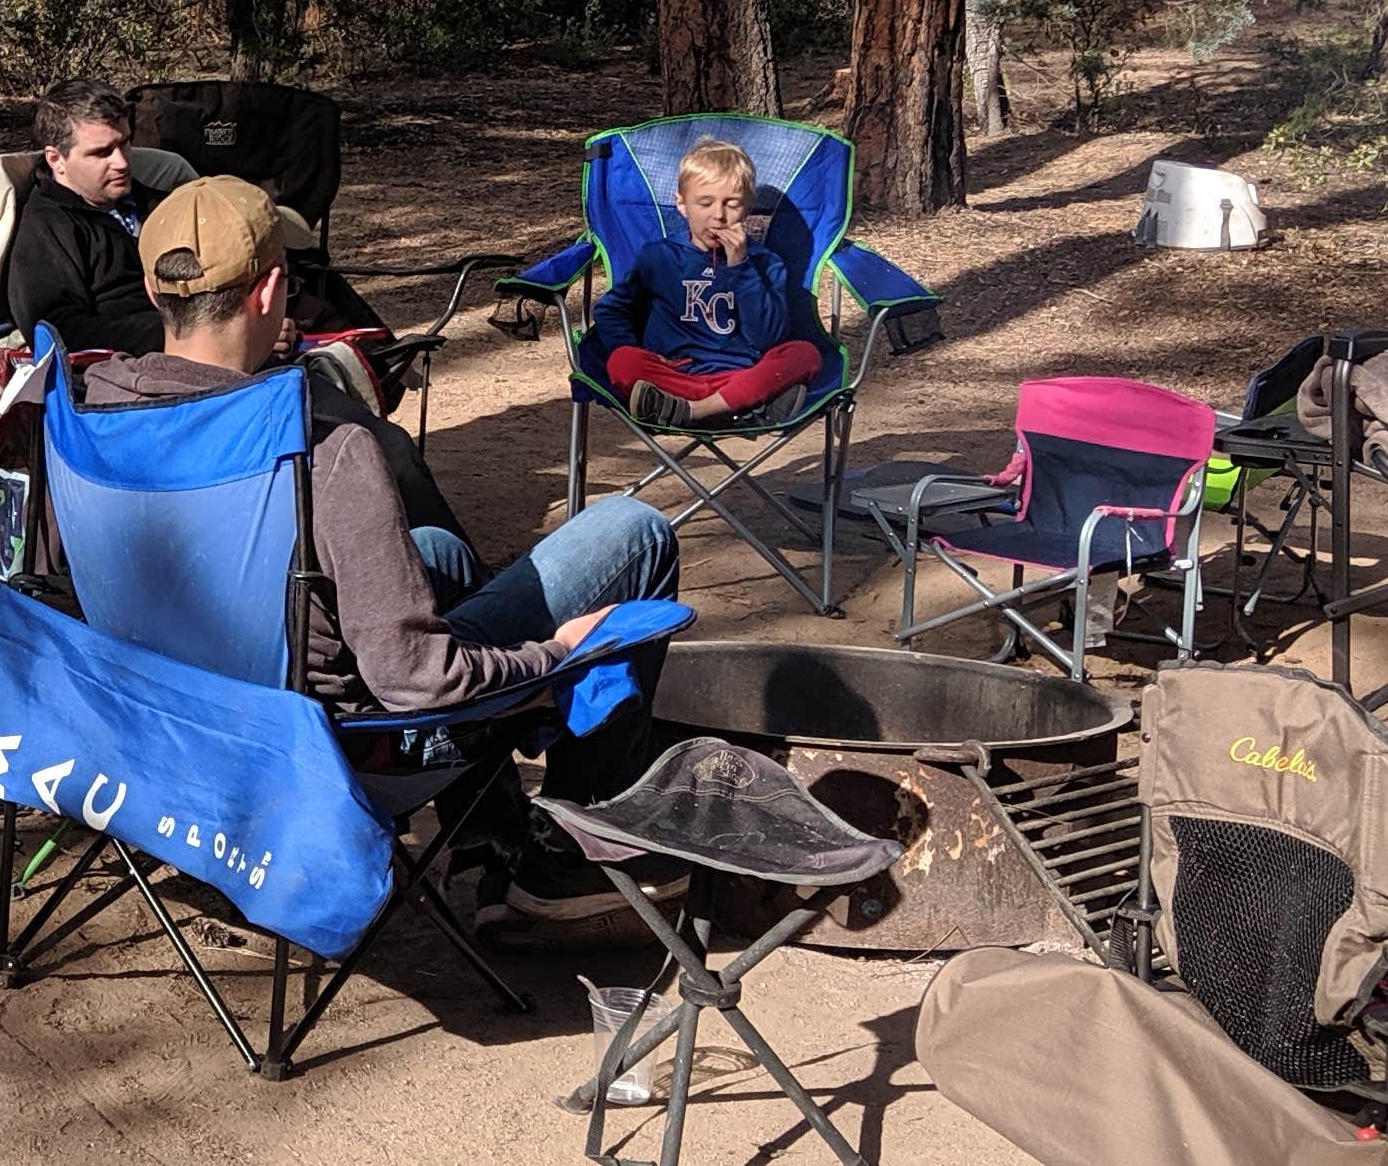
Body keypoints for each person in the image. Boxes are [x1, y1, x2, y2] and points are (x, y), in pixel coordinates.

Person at [82, 176, 678, 729]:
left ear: (152, 293)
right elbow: (418, 681)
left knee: (440, 553)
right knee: (637, 529)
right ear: (269, 291)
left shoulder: (90, 414)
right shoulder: (322, 448)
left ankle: (495, 830)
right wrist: (554, 655)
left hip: (172, 717)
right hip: (335, 740)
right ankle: (583, 815)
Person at [584, 135, 828, 429]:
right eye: (705, 203)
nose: (719, 216)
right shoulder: (659, 257)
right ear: (682, 204)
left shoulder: (764, 263)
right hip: (675, 376)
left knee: (803, 354)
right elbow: (611, 310)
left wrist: (741, 266)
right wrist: (636, 349)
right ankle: (750, 406)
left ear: (749, 207)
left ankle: (698, 410)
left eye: (732, 204)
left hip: (740, 374)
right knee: (623, 361)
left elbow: (768, 338)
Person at [1, 80, 166, 358]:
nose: (122, 162)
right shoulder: (47, 228)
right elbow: (58, 330)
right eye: (102, 153)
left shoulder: (162, 204)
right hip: (130, 371)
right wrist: (178, 335)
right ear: (56, 160)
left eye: (125, 143)